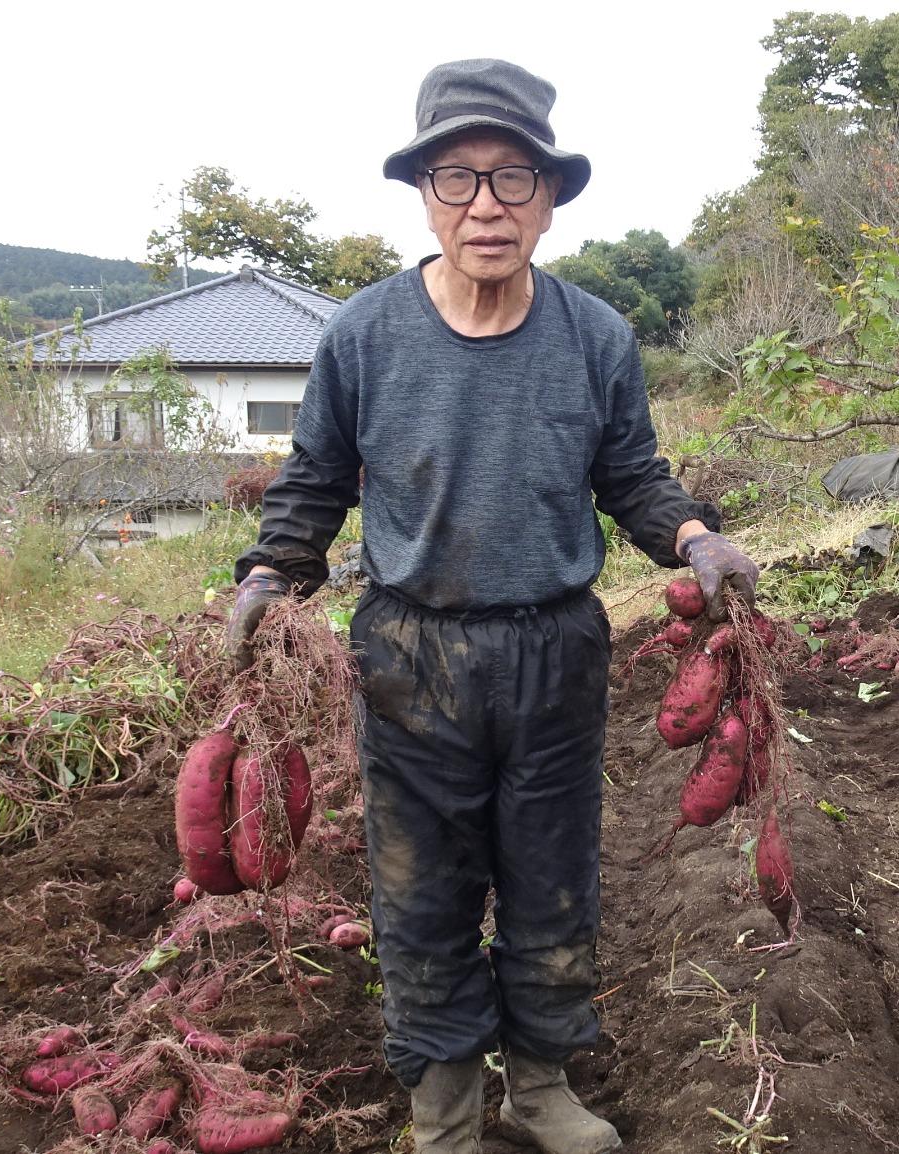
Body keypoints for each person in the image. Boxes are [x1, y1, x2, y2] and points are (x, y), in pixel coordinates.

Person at [224, 58, 759, 1154]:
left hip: (556, 649)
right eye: (456, 178)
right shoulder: (364, 336)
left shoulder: (595, 337)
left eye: (512, 179)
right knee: (421, 893)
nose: (485, 206)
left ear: (550, 198)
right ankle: (444, 1107)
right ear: (422, 191)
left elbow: (633, 475)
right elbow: (314, 481)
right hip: (411, 652)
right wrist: (272, 573)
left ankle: (541, 1082)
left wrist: (695, 536)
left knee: (550, 877)